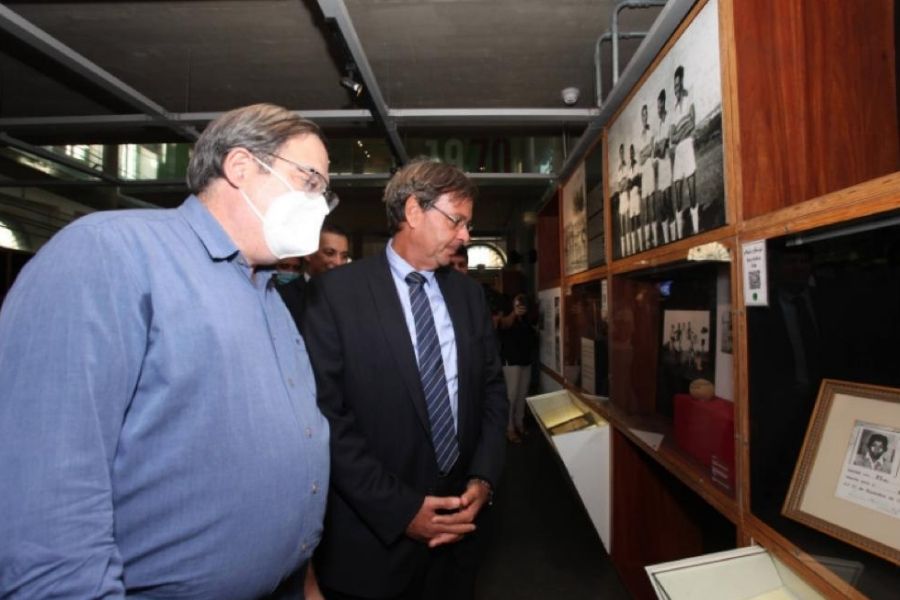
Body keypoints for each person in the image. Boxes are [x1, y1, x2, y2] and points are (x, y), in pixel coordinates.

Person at [0, 103, 333, 598]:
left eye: (326, 193)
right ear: (241, 167)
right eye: (310, 181)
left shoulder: (267, 290)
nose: (320, 205)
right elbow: (48, 507)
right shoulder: (107, 254)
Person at [301, 158, 508, 600]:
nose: (465, 237)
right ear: (414, 212)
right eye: (457, 221)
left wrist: (484, 478)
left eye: (467, 225)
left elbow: (492, 393)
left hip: (460, 538)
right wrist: (400, 510)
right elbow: (326, 417)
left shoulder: (470, 297)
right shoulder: (336, 295)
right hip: (374, 544)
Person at [277, 221, 351, 323]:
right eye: (330, 253)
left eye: (344, 256)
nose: (338, 262)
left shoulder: (349, 297)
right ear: (309, 254)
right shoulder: (283, 296)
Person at [497, 293, 538, 443]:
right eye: (516, 304)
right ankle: (509, 428)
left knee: (522, 395)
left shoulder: (526, 320)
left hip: (525, 361)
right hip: (511, 361)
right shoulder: (507, 317)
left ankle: (519, 423)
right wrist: (514, 313)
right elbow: (504, 324)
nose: (520, 307)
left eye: (522, 304)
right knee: (511, 396)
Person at [671, 65, 698, 238]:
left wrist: (682, 132)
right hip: (678, 152)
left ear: (682, 82)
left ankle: (696, 229)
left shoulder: (689, 98)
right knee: (678, 194)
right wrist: (683, 129)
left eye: (678, 85)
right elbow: (672, 138)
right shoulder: (673, 109)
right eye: (674, 86)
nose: (676, 89)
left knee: (692, 188)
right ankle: (680, 236)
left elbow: (692, 122)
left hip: (687, 146)